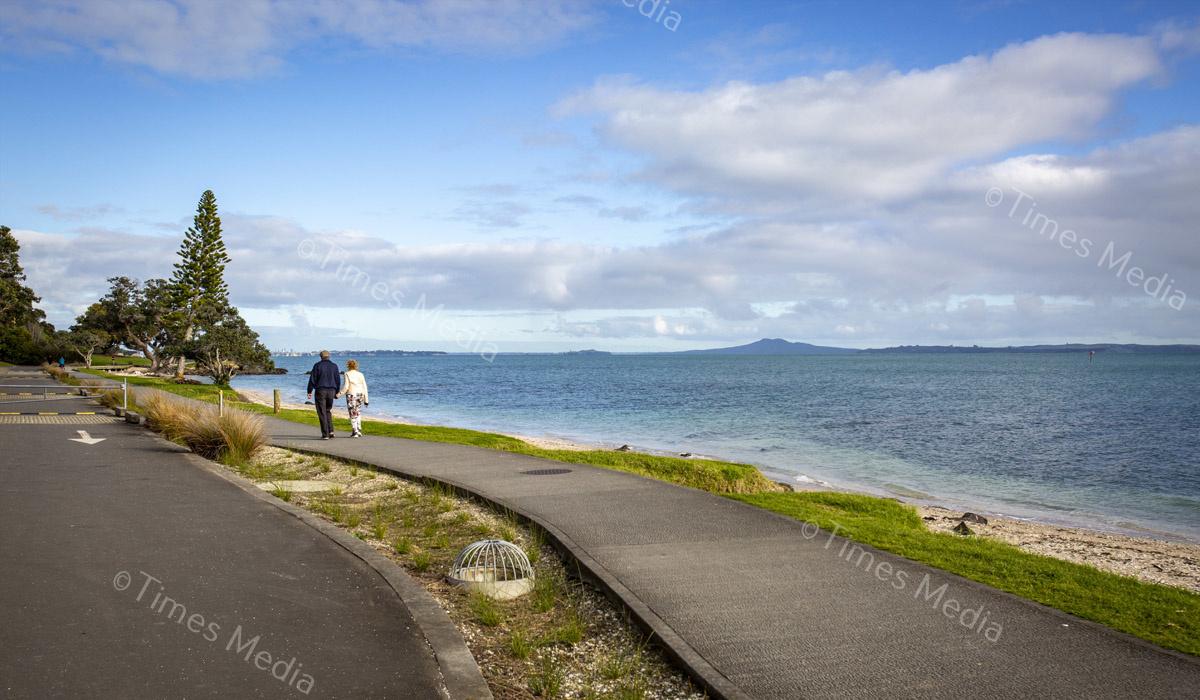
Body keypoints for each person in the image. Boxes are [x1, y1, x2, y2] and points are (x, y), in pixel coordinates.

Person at [306, 350, 340, 439]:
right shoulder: (334, 366)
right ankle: (331, 431)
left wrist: (309, 391)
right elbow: (337, 380)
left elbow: (312, 379)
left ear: (321, 357)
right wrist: (337, 392)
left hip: (321, 390)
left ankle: (325, 434)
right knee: (328, 410)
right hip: (331, 390)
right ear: (329, 356)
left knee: (322, 412)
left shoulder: (317, 365)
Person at [337, 359, 369, 438]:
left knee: (352, 413)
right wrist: (366, 400)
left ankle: (355, 431)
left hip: (351, 395)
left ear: (348, 365)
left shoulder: (347, 374)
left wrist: (338, 394)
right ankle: (359, 429)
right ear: (356, 366)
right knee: (358, 412)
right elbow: (364, 387)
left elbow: (346, 387)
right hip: (360, 394)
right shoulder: (360, 374)